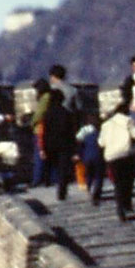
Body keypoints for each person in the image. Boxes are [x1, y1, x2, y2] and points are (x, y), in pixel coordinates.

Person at [33, 69, 78, 201]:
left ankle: (47, 182)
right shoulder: (67, 113)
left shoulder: (47, 114)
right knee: (63, 169)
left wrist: (43, 147)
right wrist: (73, 147)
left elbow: (44, 131)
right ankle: (61, 191)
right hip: (64, 145)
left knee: (52, 165)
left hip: (50, 144)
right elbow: (71, 131)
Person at [94, 104, 135, 219]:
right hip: (126, 154)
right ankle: (127, 204)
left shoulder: (105, 125)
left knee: (117, 183)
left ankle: (120, 207)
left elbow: (101, 143)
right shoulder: (128, 120)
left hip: (111, 157)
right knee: (128, 180)